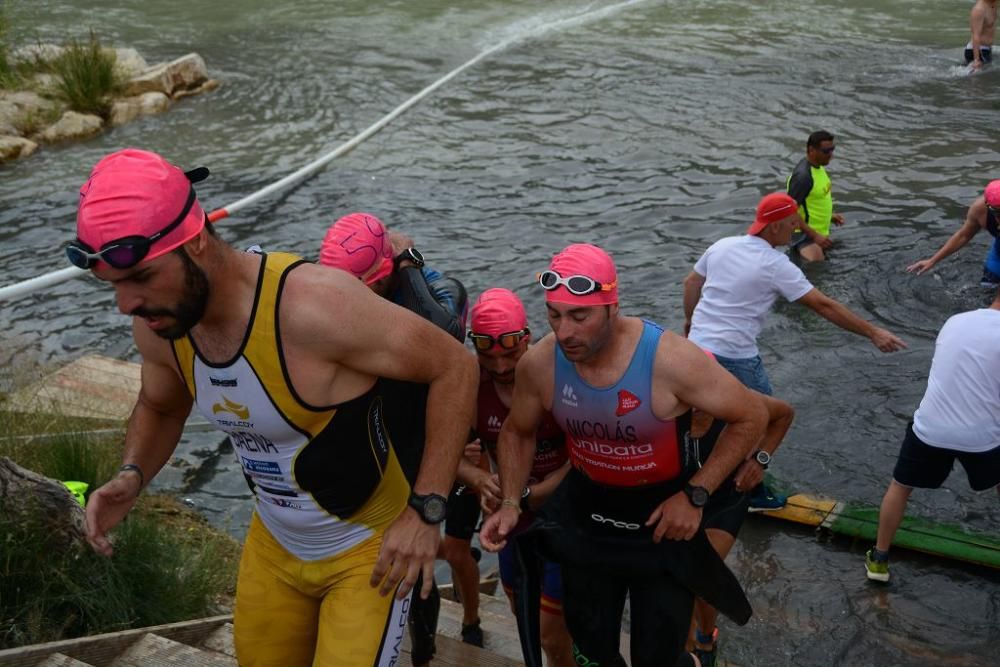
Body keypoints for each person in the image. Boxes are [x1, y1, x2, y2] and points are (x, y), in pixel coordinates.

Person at [74, 150, 479, 667]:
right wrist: (132, 474)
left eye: (141, 278)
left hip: (366, 553)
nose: (126, 304)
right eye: (113, 286)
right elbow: (160, 405)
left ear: (195, 240)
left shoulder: (314, 307)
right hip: (275, 546)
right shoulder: (161, 321)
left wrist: (427, 511)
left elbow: (455, 369)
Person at [481, 243, 782, 667]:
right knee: (592, 645)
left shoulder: (670, 360)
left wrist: (696, 495)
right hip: (590, 518)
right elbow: (517, 432)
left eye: (579, 316)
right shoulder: (543, 362)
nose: (564, 331)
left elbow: (751, 416)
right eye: (554, 314)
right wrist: (512, 501)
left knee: (656, 655)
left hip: (662, 523)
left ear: (612, 307)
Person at [319, 211, 481, 663]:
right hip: (367, 442)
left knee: (417, 563)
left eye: (357, 289)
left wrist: (407, 261)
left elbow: (444, 332)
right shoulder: (327, 298)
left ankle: (424, 652)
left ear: (386, 275)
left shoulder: (437, 292)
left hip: (418, 444)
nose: (341, 300)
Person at [683, 192, 907, 511]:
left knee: (710, 417)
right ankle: (750, 493)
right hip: (736, 356)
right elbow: (823, 305)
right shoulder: (776, 264)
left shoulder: (722, 246)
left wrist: (690, 322)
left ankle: (699, 473)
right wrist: (873, 332)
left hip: (696, 352)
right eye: (792, 224)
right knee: (767, 420)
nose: (796, 231)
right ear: (774, 227)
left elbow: (690, 283)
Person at [463, 288, 574, 667]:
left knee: (551, 634)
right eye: (487, 356)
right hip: (515, 517)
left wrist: (532, 493)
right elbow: (440, 453)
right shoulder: (469, 385)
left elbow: (586, 458)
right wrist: (479, 481)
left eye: (510, 355)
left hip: (566, 513)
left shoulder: (558, 373)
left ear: (527, 339)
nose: (499, 367)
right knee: (520, 613)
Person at [865, 293, 1000, 583]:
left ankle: (879, 559)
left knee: (900, 487)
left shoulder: (956, 321)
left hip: (930, 428)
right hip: (981, 437)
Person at [686, 391, 794, 667]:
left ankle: (706, 639)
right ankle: (687, 652)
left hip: (725, 500)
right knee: (679, 583)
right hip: (682, 501)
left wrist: (760, 460)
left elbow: (783, 414)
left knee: (696, 576)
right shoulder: (660, 402)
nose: (694, 404)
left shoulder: (728, 394)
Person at [906, 180, 1000, 287]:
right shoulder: (979, 210)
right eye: (998, 213)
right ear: (987, 206)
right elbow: (963, 235)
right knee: (987, 287)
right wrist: (932, 261)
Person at [786, 130, 843, 262]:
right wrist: (815, 236)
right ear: (811, 150)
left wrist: (830, 216)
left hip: (817, 234)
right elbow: (789, 212)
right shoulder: (803, 177)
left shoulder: (817, 166)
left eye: (832, 149)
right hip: (803, 237)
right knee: (817, 270)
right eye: (826, 151)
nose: (831, 155)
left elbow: (813, 200)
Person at [966, 0, 996, 70]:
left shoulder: (992, 4)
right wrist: (976, 60)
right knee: (981, 79)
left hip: (986, 49)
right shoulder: (979, 10)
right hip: (978, 51)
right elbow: (975, 35)